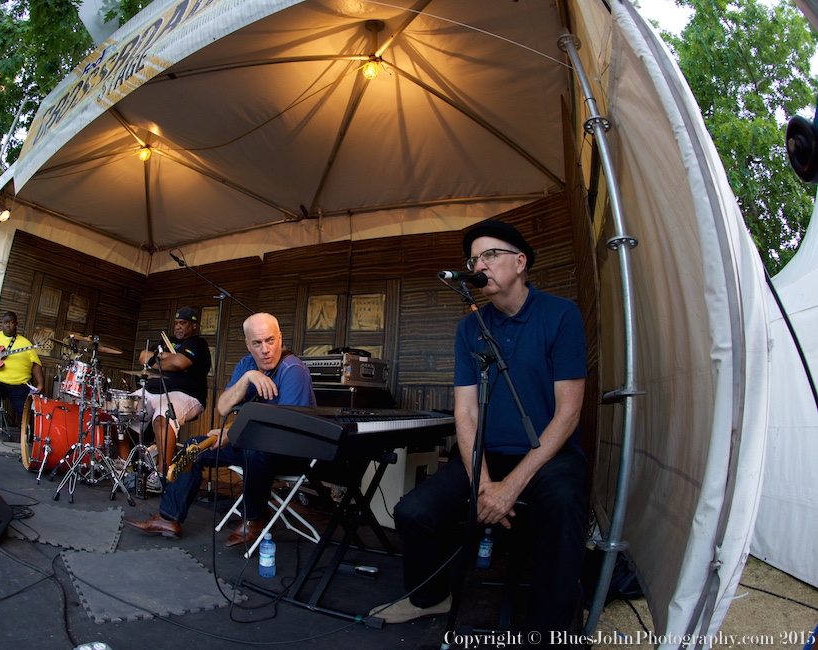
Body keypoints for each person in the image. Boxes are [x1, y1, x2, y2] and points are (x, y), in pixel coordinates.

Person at [370, 220, 588, 640]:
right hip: (485, 457)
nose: (479, 265)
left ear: (520, 262)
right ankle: (430, 597)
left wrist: (510, 488)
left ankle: (549, 632)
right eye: (473, 260)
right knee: (414, 512)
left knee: (563, 505)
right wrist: (484, 484)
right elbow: (466, 412)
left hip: (547, 456)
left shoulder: (561, 315)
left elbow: (568, 413)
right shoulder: (469, 328)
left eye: (490, 254)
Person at [124, 312, 316, 546]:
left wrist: (230, 434)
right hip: (252, 444)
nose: (265, 350)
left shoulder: (293, 369)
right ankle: (168, 517)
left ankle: (255, 517)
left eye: (270, 340)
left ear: (280, 338)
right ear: (248, 345)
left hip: (290, 451)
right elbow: (223, 407)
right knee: (194, 448)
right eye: (257, 343)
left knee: (255, 449)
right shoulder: (247, 365)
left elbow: (286, 428)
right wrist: (247, 378)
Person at [121, 307, 212, 492]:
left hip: (185, 394)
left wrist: (157, 359)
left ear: (194, 325)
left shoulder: (198, 343)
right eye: (176, 323)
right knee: (121, 407)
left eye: (183, 323)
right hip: (152, 391)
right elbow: (143, 356)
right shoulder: (165, 340)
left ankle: (162, 474)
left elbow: (179, 363)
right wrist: (169, 357)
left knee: (164, 415)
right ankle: (123, 465)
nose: (178, 327)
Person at [0, 312, 45, 438]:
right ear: (2, 324)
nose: (8, 325)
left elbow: (35, 364)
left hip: (18, 383)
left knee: (25, 408)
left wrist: (40, 383)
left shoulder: (26, 343)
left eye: (11, 323)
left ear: (16, 324)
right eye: (6, 323)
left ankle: (29, 436)